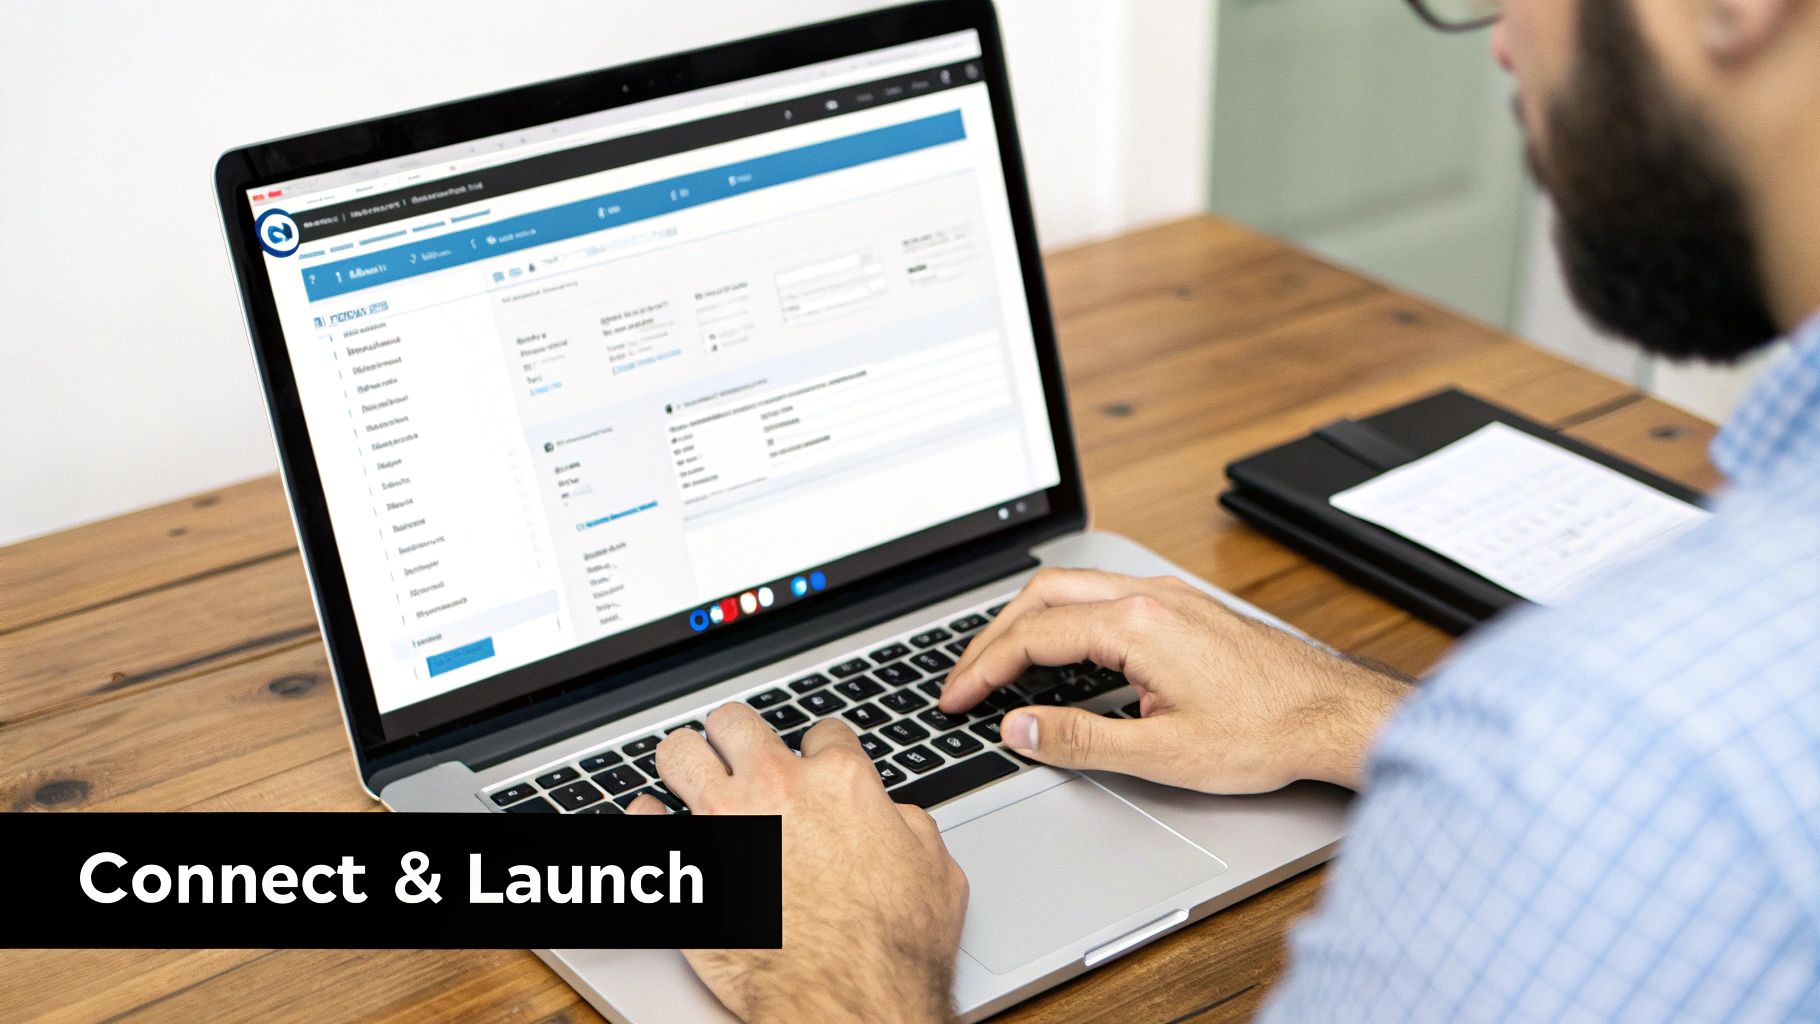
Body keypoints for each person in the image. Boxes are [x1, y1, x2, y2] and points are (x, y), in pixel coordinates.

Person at [627, 0, 1820, 1018]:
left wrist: (845, 961)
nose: (1503, 40)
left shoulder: (1610, 750)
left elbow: (1615, 779)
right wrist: (1353, 715)